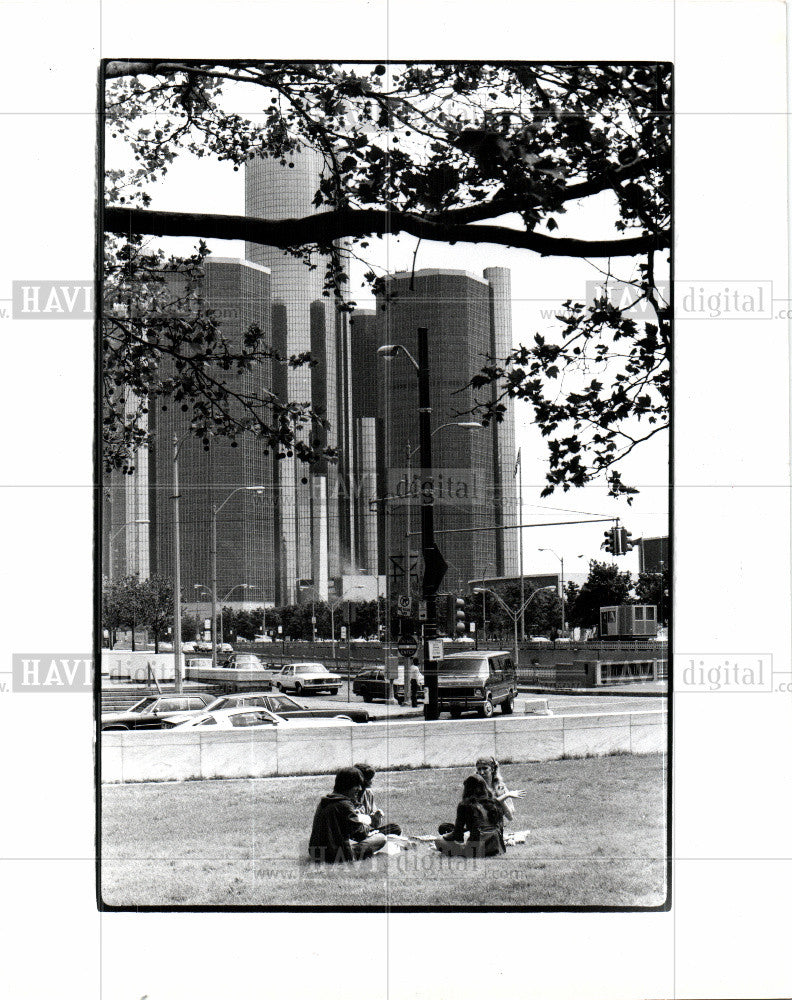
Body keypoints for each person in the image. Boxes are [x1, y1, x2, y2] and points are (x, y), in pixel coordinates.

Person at [308, 767, 387, 864]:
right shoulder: (344, 804)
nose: (360, 789)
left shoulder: (326, 801)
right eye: (357, 785)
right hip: (337, 855)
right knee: (381, 838)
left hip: (316, 853)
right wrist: (368, 821)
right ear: (347, 785)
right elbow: (360, 834)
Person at [435, 774, 507, 858]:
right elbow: (500, 827)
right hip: (497, 847)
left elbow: (458, 835)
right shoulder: (494, 802)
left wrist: (445, 836)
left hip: (477, 849)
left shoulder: (465, 805)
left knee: (438, 841)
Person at [353, 763, 402, 836]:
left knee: (395, 828)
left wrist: (377, 816)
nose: (371, 782)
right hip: (354, 834)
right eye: (369, 779)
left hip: (367, 831)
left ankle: (373, 838)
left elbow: (375, 825)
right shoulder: (349, 793)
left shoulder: (368, 794)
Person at [474, 756, 523, 822]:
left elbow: (510, 817)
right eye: (479, 769)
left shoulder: (500, 786)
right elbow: (486, 806)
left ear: (492, 769)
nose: (482, 772)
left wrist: (502, 800)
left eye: (485, 768)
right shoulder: (474, 787)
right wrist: (505, 796)